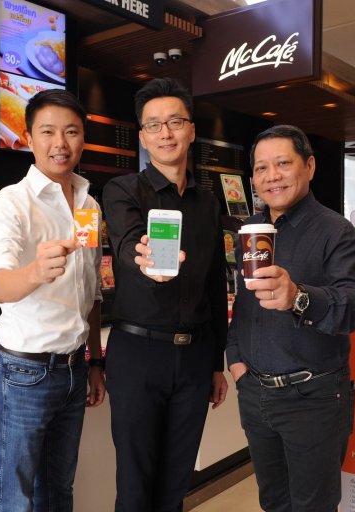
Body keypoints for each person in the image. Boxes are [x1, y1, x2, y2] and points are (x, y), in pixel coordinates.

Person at [226, 125, 355, 512]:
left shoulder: (335, 231)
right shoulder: (251, 231)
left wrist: (298, 296)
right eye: (261, 168)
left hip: (313, 398)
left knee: (313, 506)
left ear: (309, 166)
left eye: (283, 164)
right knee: (273, 502)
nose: (271, 176)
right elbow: (244, 303)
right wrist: (236, 360)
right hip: (255, 393)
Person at [102, 77, 228, 512]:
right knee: (135, 485)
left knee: (176, 485)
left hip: (195, 358)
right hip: (138, 353)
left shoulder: (208, 203)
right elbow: (127, 243)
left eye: (175, 122)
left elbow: (215, 283)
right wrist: (146, 260)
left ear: (191, 130)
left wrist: (217, 363)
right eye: (154, 125)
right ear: (142, 136)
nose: (165, 133)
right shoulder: (123, 190)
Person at [0, 89, 105, 512]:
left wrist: (95, 362)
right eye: (48, 131)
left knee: (58, 492)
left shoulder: (89, 205)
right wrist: (36, 271)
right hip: (23, 372)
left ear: (82, 138)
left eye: (71, 131)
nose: (60, 143)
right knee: (14, 499)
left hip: (74, 369)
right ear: (28, 138)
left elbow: (91, 291)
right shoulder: (10, 203)